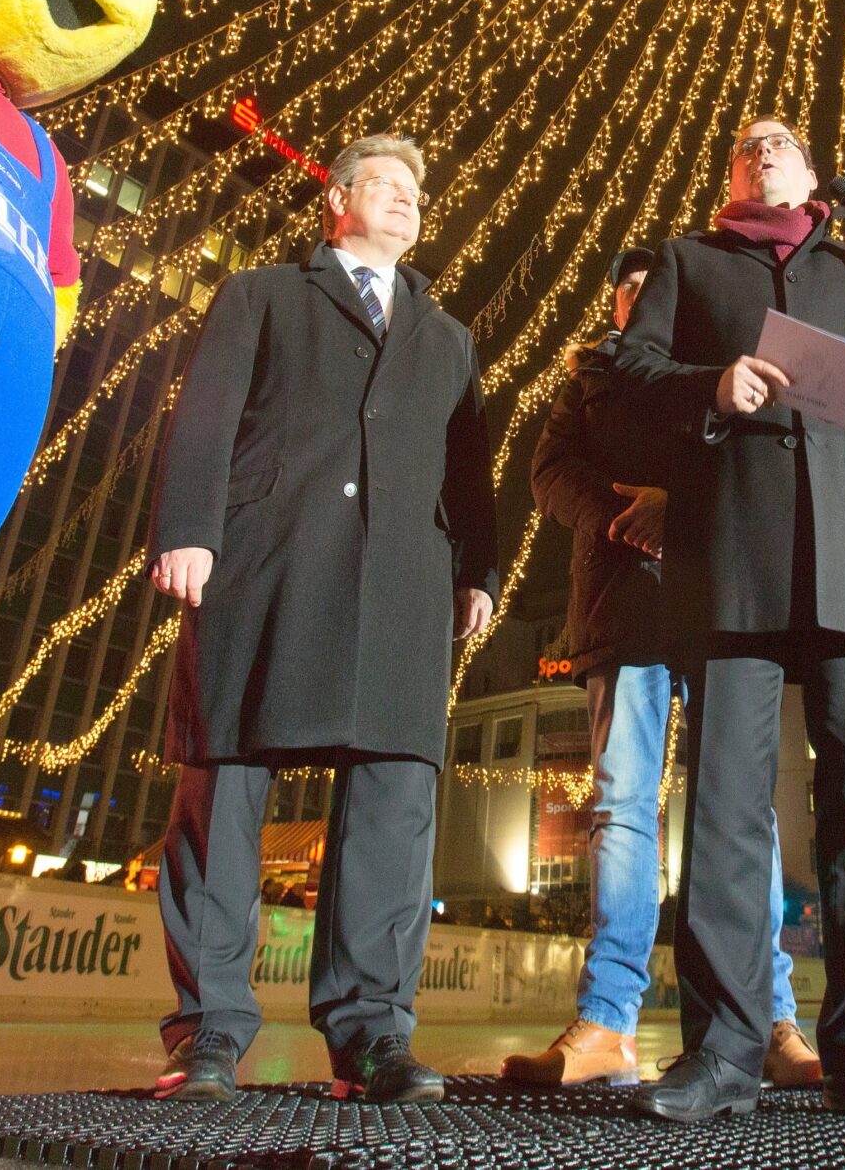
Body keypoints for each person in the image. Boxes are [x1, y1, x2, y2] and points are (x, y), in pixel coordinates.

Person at [612, 118, 845, 1125]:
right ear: (728, 175)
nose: (762, 149)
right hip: (731, 563)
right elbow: (621, 385)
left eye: (780, 141)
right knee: (725, 809)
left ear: (810, 172)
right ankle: (723, 1051)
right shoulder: (685, 264)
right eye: (742, 145)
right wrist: (707, 389)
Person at [147, 133, 498, 1106]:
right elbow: (207, 414)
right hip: (265, 559)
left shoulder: (448, 335)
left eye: (415, 194)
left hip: (404, 585)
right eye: (385, 186)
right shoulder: (262, 295)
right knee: (224, 787)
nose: (405, 203)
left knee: (392, 803)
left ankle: (373, 1036)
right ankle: (209, 1033)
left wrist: (482, 572)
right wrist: (188, 529)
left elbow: (469, 469)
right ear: (336, 200)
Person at [502, 248, 822, 1091]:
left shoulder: (720, 369)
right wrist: (619, 515)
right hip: (620, 609)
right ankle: (607, 1018)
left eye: (658, 290)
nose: (643, 300)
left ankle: (771, 1016)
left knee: (738, 811)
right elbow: (548, 470)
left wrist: (679, 507)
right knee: (623, 806)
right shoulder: (589, 378)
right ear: (614, 306)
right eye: (631, 290)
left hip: (719, 601)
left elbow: (760, 464)